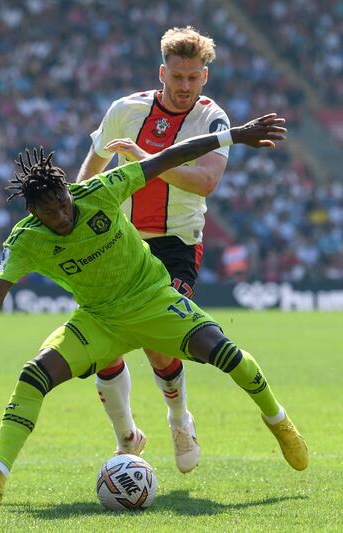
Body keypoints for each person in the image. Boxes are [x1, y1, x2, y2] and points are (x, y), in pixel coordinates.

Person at [0, 114, 308, 505]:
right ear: (33, 214)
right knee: (33, 375)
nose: (61, 217)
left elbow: (171, 156)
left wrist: (234, 136)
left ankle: (278, 420)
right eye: (49, 214)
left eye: (62, 205)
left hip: (154, 302)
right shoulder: (27, 240)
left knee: (228, 355)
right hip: (100, 320)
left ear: (69, 191)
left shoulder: (102, 190)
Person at [74, 26, 231, 473]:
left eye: (192, 78)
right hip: (118, 241)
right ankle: (127, 435)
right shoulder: (126, 110)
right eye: (176, 77)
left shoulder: (212, 119)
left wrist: (148, 159)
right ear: (162, 72)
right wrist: (79, 213)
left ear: (205, 77)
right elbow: (95, 164)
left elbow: (206, 181)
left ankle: (179, 418)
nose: (183, 87)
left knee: (159, 340)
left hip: (176, 243)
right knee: (104, 341)